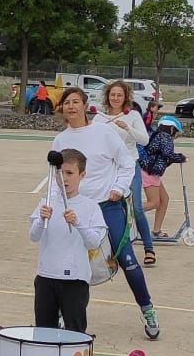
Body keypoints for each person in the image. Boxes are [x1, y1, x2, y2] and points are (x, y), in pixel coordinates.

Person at [49, 87, 160, 340]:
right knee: (74, 264)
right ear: (62, 109)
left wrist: (118, 189)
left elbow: (126, 163)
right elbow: (55, 177)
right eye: (66, 103)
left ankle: (147, 309)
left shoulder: (104, 132)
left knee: (127, 260)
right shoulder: (60, 140)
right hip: (77, 210)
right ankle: (66, 315)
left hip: (107, 207)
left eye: (76, 102)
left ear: (84, 105)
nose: (71, 106)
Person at [29, 150, 106, 332]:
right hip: (46, 276)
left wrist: (78, 222)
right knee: (44, 332)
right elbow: (33, 236)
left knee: (75, 332)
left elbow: (94, 243)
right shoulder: (46, 202)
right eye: (60, 173)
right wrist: (41, 220)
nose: (64, 178)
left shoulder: (90, 207)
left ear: (82, 175)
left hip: (74, 279)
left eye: (70, 173)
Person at [98, 80, 153, 262]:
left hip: (130, 166)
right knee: (111, 208)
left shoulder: (133, 115)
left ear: (125, 97)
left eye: (119, 95)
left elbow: (144, 140)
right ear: (107, 96)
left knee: (136, 207)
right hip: (108, 169)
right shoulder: (99, 118)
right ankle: (113, 251)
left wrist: (128, 127)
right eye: (112, 94)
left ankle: (148, 248)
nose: (115, 98)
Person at [141, 116, 184, 241]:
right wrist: (181, 158)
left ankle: (156, 230)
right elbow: (167, 154)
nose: (176, 135)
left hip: (152, 171)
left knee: (164, 199)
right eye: (176, 132)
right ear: (171, 129)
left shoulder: (158, 135)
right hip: (149, 171)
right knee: (154, 202)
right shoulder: (165, 137)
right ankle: (127, 212)